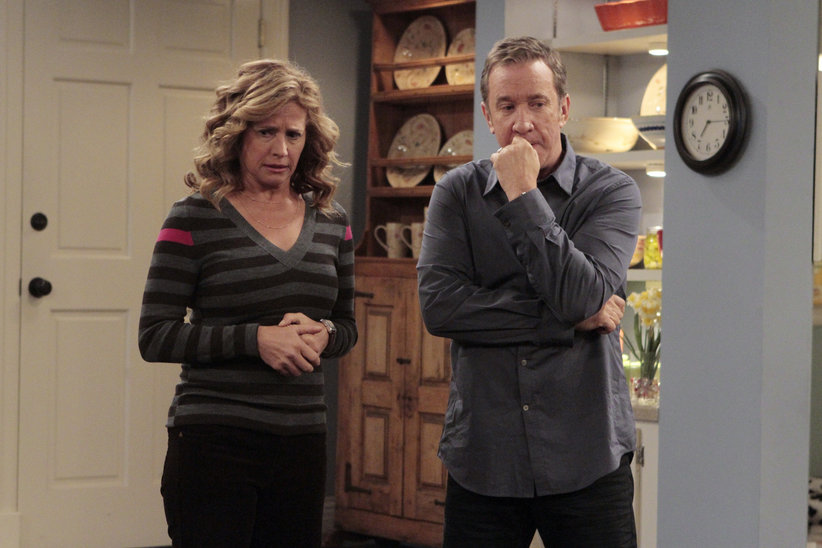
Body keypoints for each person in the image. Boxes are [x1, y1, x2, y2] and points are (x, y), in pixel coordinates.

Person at [417, 36, 642, 547]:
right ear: (487, 116)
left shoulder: (611, 192)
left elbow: (580, 296)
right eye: (507, 106)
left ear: (563, 109)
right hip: (485, 459)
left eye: (537, 103)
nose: (522, 122)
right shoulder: (456, 193)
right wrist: (564, 320)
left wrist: (522, 192)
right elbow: (440, 308)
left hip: (588, 456)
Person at [138, 58, 357, 548]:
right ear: (236, 134)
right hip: (214, 441)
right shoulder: (193, 217)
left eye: (294, 134)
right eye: (266, 132)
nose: (282, 149)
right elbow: (155, 336)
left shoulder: (332, 221)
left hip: (302, 442)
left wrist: (326, 335)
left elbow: (346, 325)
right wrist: (255, 340)